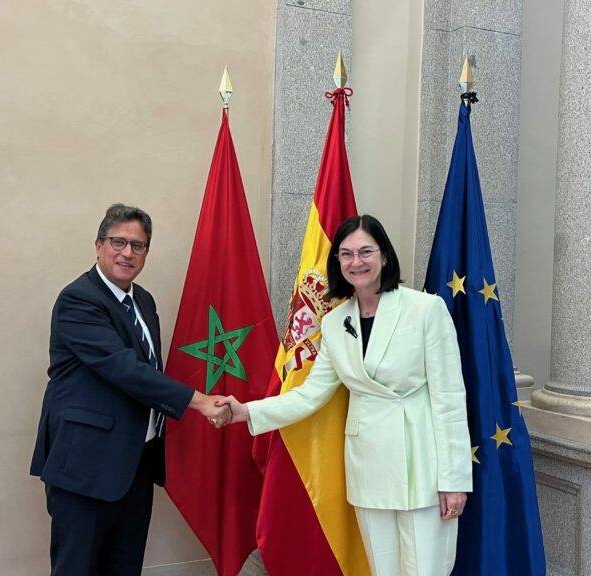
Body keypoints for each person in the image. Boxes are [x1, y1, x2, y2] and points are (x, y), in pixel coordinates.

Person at [219, 214, 472, 576]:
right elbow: (309, 396)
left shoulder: (425, 309)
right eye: (347, 254)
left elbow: (449, 400)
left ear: (384, 255)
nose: (357, 262)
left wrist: (454, 480)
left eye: (366, 251)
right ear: (337, 261)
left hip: (422, 467)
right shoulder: (335, 323)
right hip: (368, 467)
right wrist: (244, 410)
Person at [30, 203, 230, 576]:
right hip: (86, 466)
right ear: (98, 245)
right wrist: (199, 401)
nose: (127, 253)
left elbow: (149, 369)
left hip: (135, 464)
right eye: (118, 242)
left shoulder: (143, 301)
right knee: (77, 567)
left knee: (125, 567)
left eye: (137, 246)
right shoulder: (79, 299)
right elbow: (125, 369)